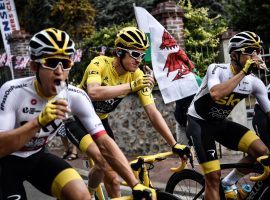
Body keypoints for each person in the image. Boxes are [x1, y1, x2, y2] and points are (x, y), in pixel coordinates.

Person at [0, 28, 158, 200]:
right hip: (6, 164)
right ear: (33, 66)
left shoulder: (74, 96)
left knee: (81, 196)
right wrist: (37, 123)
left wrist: (135, 184)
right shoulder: (13, 91)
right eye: (51, 63)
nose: (59, 71)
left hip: (38, 157)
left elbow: (104, 142)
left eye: (65, 64)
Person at [78, 26, 192, 198]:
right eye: (135, 54)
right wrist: (132, 86)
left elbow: (152, 112)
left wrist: (174, 144)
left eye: (142, 54)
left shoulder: (137, 75)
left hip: (100, 121)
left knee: (106, 170)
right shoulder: (99, 63)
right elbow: (93, 92)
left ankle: (90, 191)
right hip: (79, 118)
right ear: (119, 52)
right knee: (108, 169)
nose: (139, 59)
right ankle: (88, 195)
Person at [186, 31, 270, 200]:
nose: (255, 56)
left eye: (258, 51)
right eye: (250, 51)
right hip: (199, 123)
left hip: (219, 123)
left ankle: (229, 182)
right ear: (234, 55)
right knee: (213, 177)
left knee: (262, 152)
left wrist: (246, 74)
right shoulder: (217, 69)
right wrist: (243, 73)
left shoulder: (255, 82)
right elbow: (216, 93)